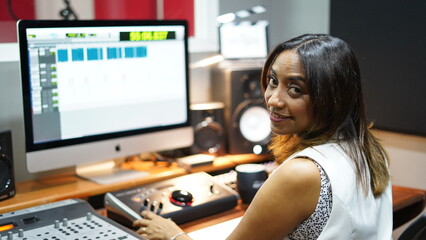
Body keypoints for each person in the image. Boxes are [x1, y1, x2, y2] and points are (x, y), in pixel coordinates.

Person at [133, 34, 393, 240]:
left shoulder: (302, 174)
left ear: (331, 98)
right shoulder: (366, 150)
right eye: (272, 81)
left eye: (295, 89)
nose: (273, 99)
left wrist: (172, 234)